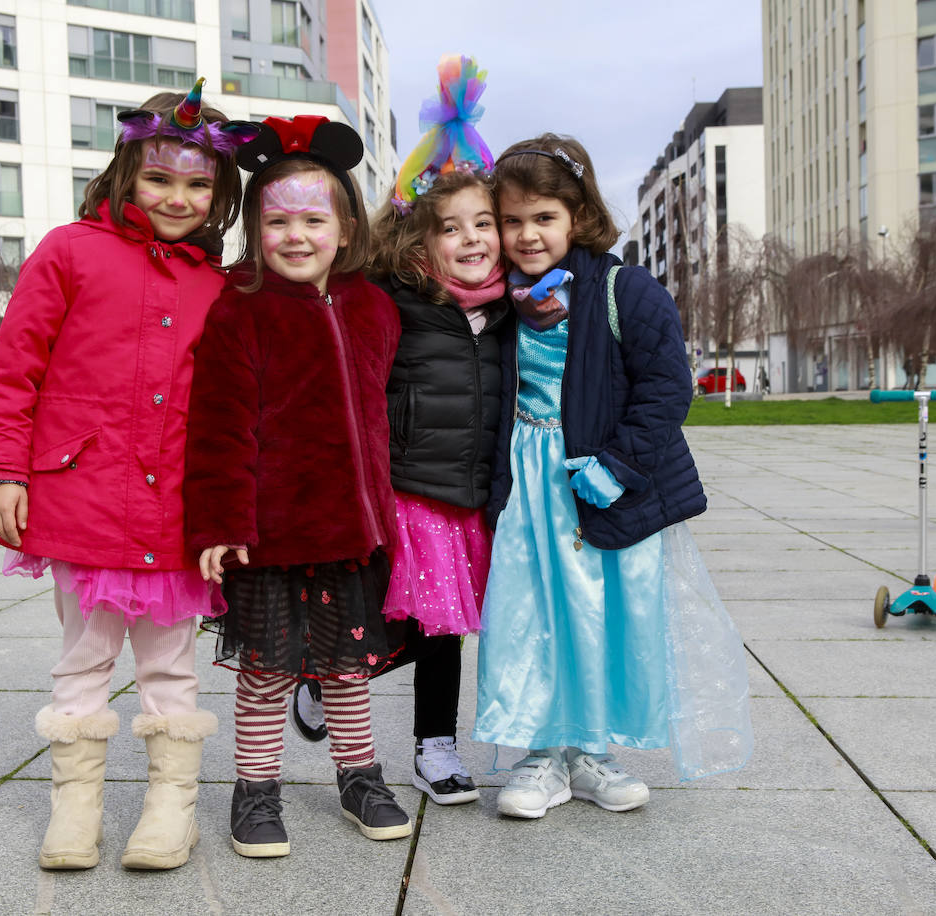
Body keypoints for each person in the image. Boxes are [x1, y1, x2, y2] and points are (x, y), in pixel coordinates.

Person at [0, 81, 254, 871]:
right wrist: (3, 470)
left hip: (176, 512)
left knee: (169, 663)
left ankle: (171, 808)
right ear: (127, 172)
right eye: (160, 178)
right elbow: (15, 367)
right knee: (84, 658)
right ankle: (76, 809)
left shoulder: (219, 284)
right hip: (84, 499)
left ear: (220, 195)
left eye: (197, 185)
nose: (178, 198)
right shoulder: (70, 251)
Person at [474, 134, 754, 820]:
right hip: (527, 484)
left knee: (603, 615)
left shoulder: (625, 289)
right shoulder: (495, 301)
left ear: (578, 216)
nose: (528, 234)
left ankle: (592, 752)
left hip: (602, 481)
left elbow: (667, 387)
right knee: (530, 613)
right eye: (512, 220)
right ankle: (541, 753)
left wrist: (619, 465)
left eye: (544, 217)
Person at [183, 115, 412, 858]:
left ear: (345, 230)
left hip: (351, 531)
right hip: (272, 536)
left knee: (347, 668)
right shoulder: (240, 310)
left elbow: (380, 416)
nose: (296, 236)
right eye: (278, 221)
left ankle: (359, 776)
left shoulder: (373, 307)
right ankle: (255, 789)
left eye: (314, 220)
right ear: (257, 228)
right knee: (267, 671)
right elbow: (219, 427)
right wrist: (221, 522)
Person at [291, 54, 505, 806]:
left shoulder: (514, 308)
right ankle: (325, 676)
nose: (472, 240)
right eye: (451, 228)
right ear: (420, 240)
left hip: (469, 495)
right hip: (405, 491)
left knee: (444, 628)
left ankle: (434, 746)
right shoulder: (393, 299)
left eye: (485, 224)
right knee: (391, 621)